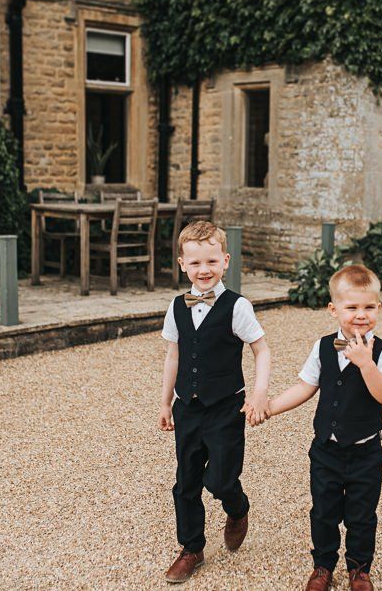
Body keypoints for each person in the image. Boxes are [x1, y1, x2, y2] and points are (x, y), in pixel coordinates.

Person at [258, 265, 382, 591]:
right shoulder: (323, 347)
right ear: (334, 310)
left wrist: (367, 364)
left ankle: (359, 569)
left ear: (378, 308)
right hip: (326, 450)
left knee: (361, 515)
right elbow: (305, 387)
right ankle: (323, 565)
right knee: (323, 511)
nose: (360, 315)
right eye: (352, 308)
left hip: (365, 451)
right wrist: (269, 408)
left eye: (368, 307)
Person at [158, 221, 271, 583]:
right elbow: (173, 356)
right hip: (187, 407)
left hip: (226, 407)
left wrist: (258, 393)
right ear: (182, 264)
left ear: (225, 261)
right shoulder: (176, 306)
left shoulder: (237, 307)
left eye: (210, 262)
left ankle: (237, 507)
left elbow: (262, 350)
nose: (203, 270)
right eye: (195, 263)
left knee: (220, 479)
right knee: (186, 481)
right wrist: (164, 403)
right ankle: (191, 548)